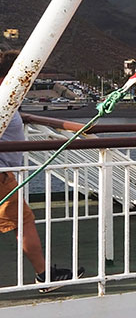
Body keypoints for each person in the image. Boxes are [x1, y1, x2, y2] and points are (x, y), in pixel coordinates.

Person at [0, 85, 74, 291]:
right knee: (23, 222)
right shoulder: (2, 101)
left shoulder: (7, 102)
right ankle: (45, 276)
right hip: (1, 177)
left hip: (4, 174)